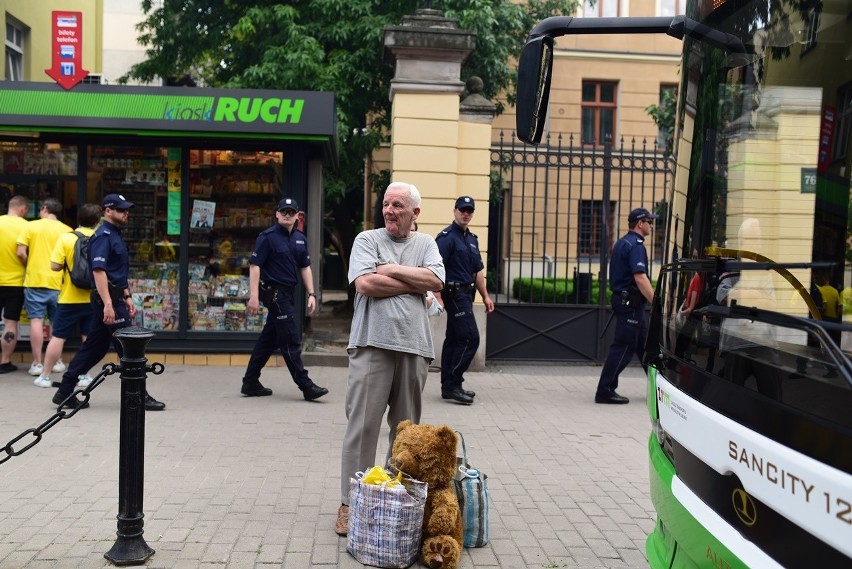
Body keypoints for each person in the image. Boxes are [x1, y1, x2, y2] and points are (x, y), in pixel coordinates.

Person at [336, 182, 445, 536]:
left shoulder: (426, 243)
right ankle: (350, 503)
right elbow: (365, 285)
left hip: (414, 348)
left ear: (415, 212)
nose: (389, 211)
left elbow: (437, 280)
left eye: (397, 205)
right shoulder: (367, 240)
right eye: (386, 204)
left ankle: (395, 501)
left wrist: (390, 270)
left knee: (406, 433)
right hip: (371, 344)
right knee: (362, 426)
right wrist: (416, 284)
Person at [52, 194, 166, 411]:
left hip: (114, 299)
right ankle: (139, 396)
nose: (126, 214)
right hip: (108, 300)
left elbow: (117, 271)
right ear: (107, 211)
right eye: (121, 210)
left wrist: (127, 296)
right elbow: (99, 271)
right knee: (130, 349)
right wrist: (108, 304)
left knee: (95, 348)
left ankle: (64, 391)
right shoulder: (103, 236)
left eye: (127, 210)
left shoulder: (114, 234)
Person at [239, 197, 328, 401]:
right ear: (277, 214)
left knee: (268, 340)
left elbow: (305, 267)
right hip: (275, 294)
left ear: (298, 216)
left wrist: (312, 294)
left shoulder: (299, 238)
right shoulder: (267, 237)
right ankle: (306, 386)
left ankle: (250, 382)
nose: (287, 215)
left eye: (291, 212)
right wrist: (253, 296)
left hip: (289, 293)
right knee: (290, 340)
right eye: (284, 212)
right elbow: (255, 266)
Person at [33, 203, 102, 389]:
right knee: (88, 338)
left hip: (69, 297)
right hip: (92, 297)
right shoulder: (100, 239)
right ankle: (84, 375)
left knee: (59, 337)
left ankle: (45, 376)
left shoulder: (66, 239)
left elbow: (54, 266)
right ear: (97, 221)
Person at [434, 196, 494, 405]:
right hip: (453, 294)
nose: (465, 214)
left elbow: (477, 271)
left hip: (468, 295)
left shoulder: (472, 239)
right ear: (455, 211)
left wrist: (485, 296)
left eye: (469, 211)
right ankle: (453, 382)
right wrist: (438, 296)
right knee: (470, 337)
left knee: (454, 338)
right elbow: (435, 268)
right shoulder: (446, 238)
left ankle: (448, 387)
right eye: (462, 210)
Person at [595, 207, 657, 404]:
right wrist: (657, 302)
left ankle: (658, 390)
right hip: (629, 304)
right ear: (640, 223)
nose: (652, 226)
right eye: (649, 221)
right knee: (623, 347)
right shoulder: (636, 246)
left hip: (629, 303)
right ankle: (605, 390)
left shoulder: (623, 243)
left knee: (644, 346)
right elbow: (640, 278)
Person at [17, 198, 72, 377]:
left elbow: (20, 252)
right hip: (59, 283)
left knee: (36, 321)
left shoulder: (31, 226)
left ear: (45, 209)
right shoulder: (67, 230)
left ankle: (37, 363)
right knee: (58, 323)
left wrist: (30, 263)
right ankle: (56, 361)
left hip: (35, 280)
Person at [0, 195, 29, 373]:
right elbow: (22, 253)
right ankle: (5, 361)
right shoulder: (26, 226)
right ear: (23, 209)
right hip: (16, 282)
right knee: (10, 322)